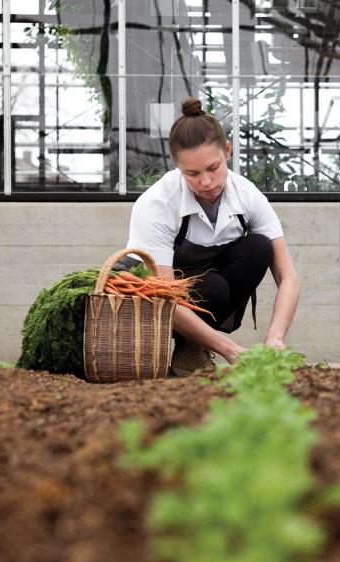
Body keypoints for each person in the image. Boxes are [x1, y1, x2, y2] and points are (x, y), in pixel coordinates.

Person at [125, 96, 299, 375]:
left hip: (213, 290)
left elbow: (288, 278)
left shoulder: (247, 195)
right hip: (165, 300)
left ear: (227, 150)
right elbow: (164, 294)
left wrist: (274, 339)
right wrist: (229, 348)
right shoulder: (157, 204)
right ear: (176, 164)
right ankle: (190, 345)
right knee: (212, 287)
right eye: (191, 173)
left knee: (258, 248)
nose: (205, 182)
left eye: (213, 168)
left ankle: (191, 350)